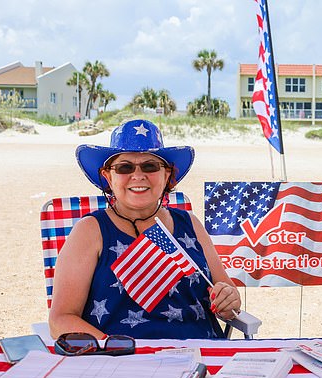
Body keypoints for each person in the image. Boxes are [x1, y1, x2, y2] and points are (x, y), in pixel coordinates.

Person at [49, 119, 241, 340]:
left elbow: (226, 293)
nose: (138, 175)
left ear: (167, 175)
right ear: (108, 177)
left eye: (150, 166)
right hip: (121, 361)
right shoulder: (90, 231)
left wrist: (229, 298)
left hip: (201, 353)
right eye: (124, 167)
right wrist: (114, 347)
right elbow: (60, 319)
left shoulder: (190, 224)